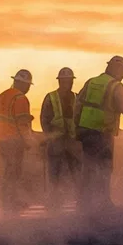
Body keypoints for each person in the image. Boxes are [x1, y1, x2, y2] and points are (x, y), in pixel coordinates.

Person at [75, 55, 123, 210]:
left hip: (86, 132)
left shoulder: (91, 82)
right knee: (104, 168)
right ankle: (103, 203)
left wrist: (77, 128)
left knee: (89, 168)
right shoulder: (115, 86)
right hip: (102, 133)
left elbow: (77, 105)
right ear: (118, 69)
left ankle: (84, 203)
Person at [0, 69, 34, 214]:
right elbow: (22, 123)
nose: (28, 88)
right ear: (24, 84)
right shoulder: (20, 98)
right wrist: (28, 141)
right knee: (14, 172)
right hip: (13, 140)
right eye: (28, 85)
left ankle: (9, 201)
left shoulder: (3, 95)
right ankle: (11, 203)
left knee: (9, 171)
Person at [41, 67, 81, 211]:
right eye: (65, 81)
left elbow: (80, 118)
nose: (67, 83)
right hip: (56, 140)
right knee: (54, 173)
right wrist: (49, 135)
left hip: (72, 140)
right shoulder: (51, 97)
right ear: (59, 82)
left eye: (69, 81)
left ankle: (81, 200)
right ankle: (53, 201)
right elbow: (44, 118)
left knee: (77, 172)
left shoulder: (77, 98)